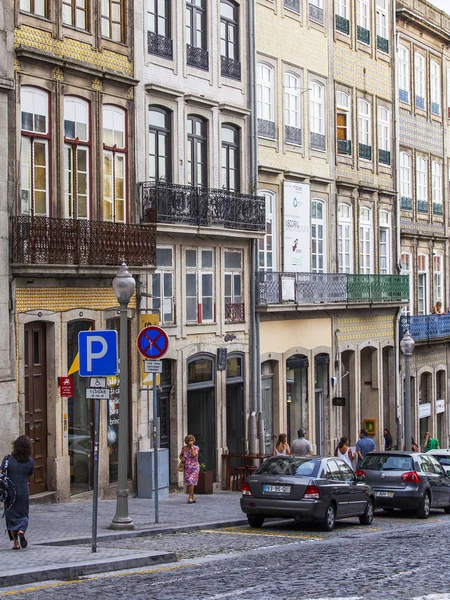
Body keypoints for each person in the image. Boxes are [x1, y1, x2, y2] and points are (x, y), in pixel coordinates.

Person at [0, 436, 34, 550]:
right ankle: (21, 531)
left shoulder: (8, 459)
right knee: (23, 515)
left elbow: (1, 473)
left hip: (10, 493)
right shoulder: (30, 462)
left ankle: (16, 543)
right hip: (23, 492)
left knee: (11, 517)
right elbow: (30, 475)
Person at [179, 434, 200, 504]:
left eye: (192, 440)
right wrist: (182, 459)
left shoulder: (196, 448)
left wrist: (191, 447)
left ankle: (190, 497)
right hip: (187, 467)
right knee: (189, 483)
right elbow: (180, 455)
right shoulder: (184, 448)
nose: (191, 442)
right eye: (189, 441)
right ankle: (193, 497)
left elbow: (194, 454)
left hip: (195, 467)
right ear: (186, 442)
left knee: (191, 480)